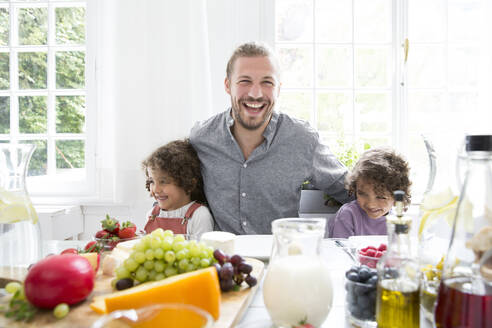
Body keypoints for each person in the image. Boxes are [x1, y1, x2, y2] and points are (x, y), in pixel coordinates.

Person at [189, 41, 352, 234]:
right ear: (227, 85)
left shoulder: (303, 140)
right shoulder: (201, 138)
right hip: (222, 259)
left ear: (278, 88)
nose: (255, 93)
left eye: (267, 82)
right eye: (244, 81)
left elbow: (353, 191)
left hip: (281, 258)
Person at [328, 147, 411, 238]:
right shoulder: (348, 215)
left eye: (381, 197)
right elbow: (341, 250)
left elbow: (397, 249)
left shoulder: (397, 220)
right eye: (362, 194)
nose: (371, 205)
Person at [142, 139, 213, 238]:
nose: (156, 189)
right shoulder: (151, 215)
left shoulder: (199, 215)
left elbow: (202, 251)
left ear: (188, 183)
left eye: (163, 182)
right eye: (152, 181)